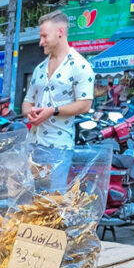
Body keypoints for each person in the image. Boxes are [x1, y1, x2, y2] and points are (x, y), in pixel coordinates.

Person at [22, 10, 94, 185]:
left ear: (60, 32)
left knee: (53, 198)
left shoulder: (80, 66)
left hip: (58, 148)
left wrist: (53, 111)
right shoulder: (39, 69)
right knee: (28, 196)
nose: (41, 42)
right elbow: (27, 101)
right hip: (32, 144)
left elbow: (85, 104)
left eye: (44, 36)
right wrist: (30, 113)